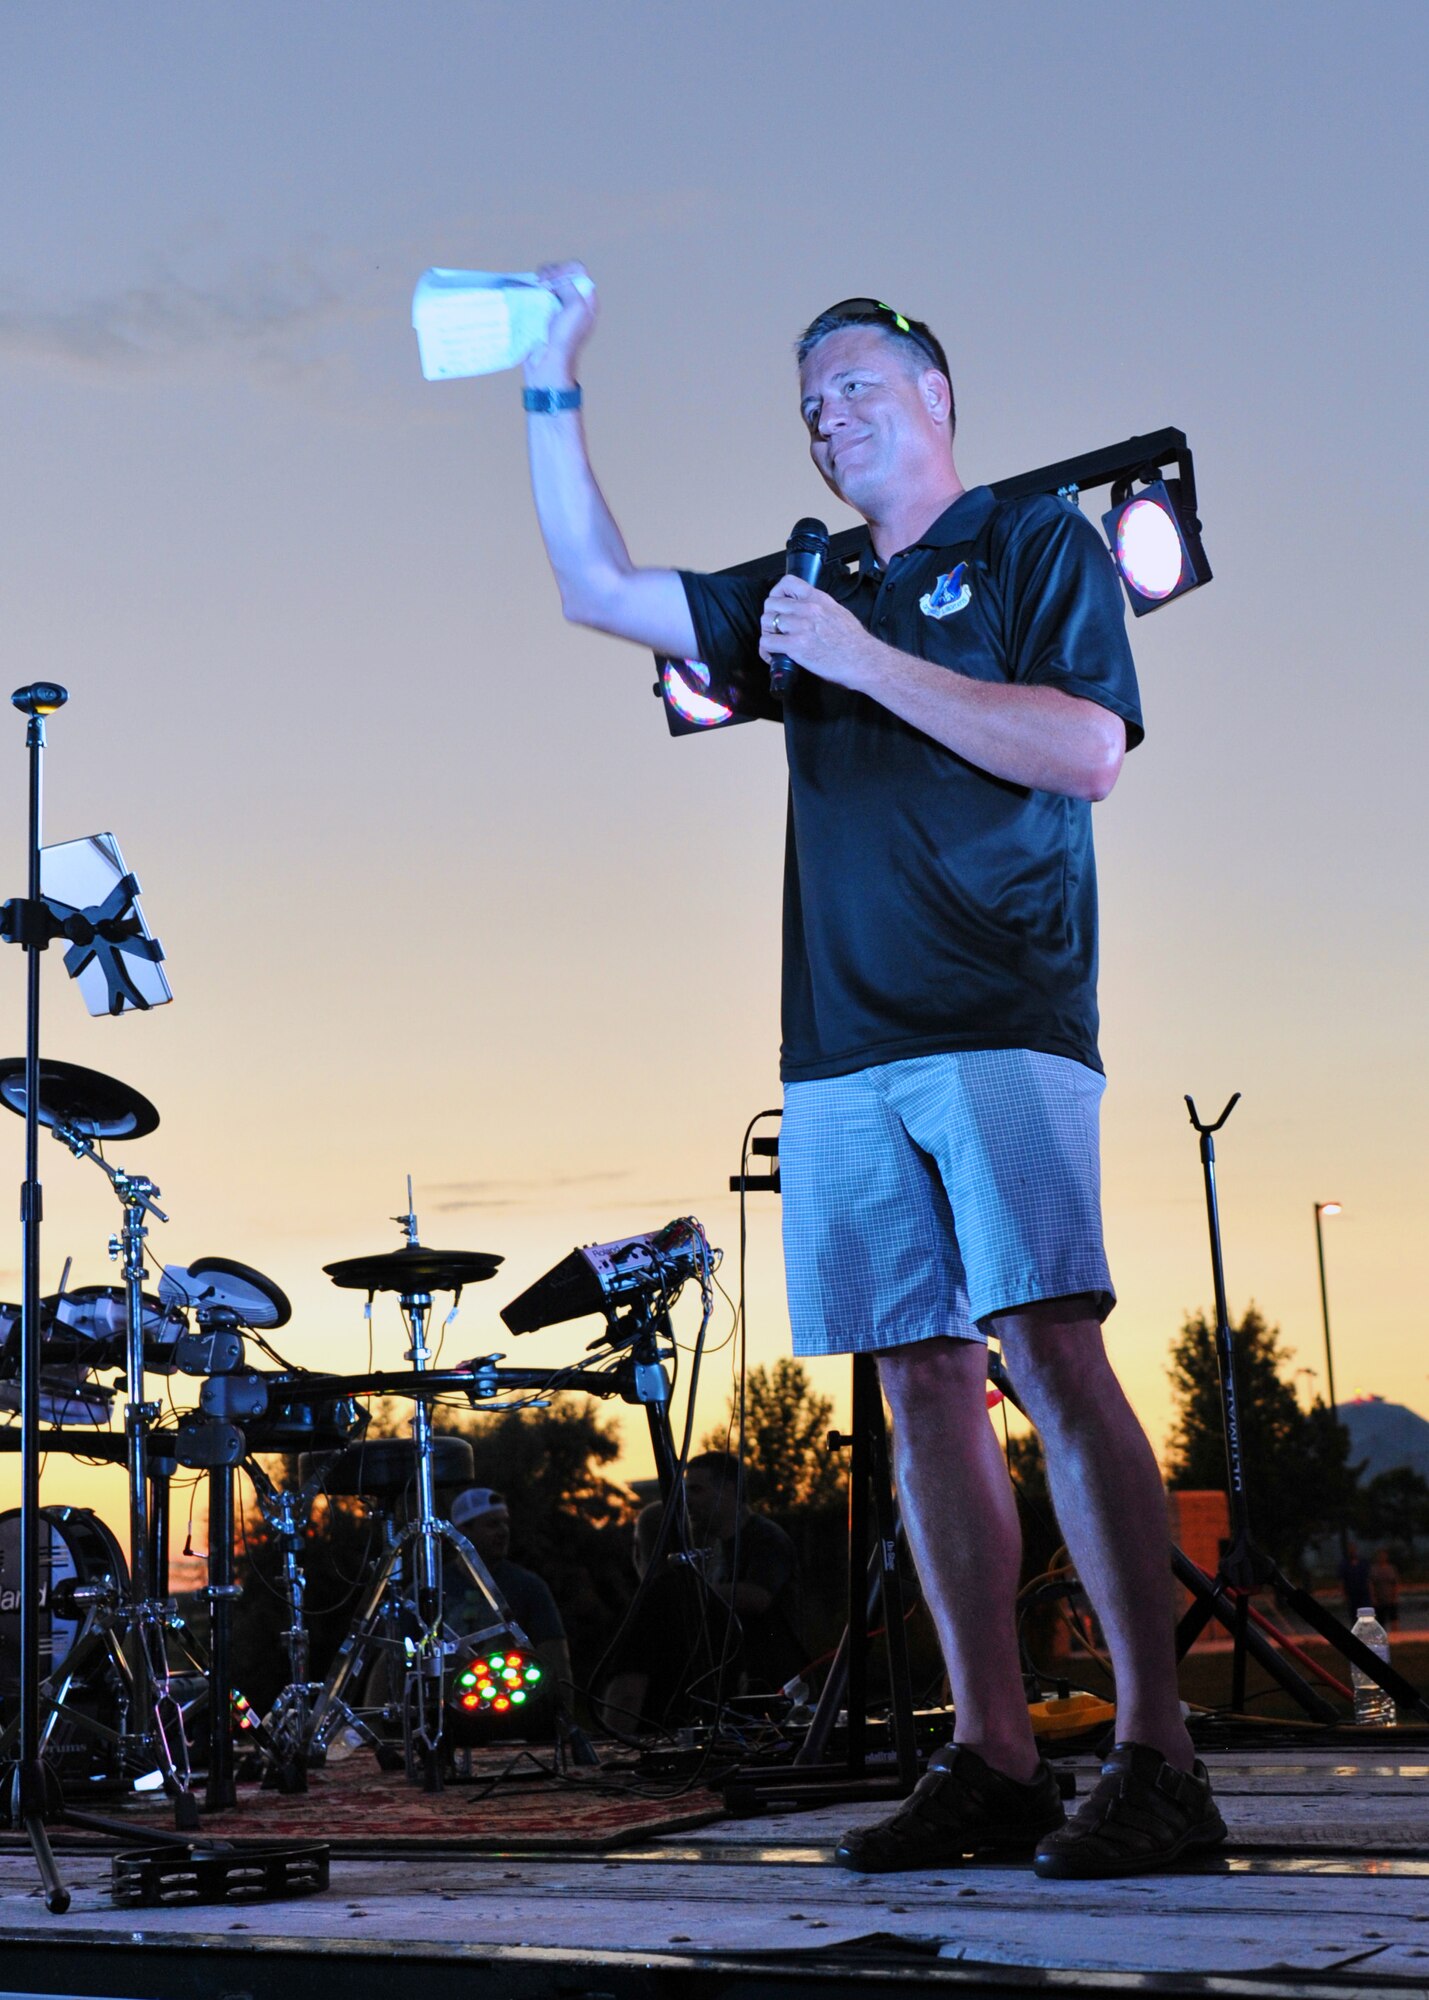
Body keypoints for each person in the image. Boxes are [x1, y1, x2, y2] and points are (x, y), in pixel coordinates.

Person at [514, 266, 1224, 1879]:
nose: (827, 412)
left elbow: (1084, 751)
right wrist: (549, 381)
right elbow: (592, 585)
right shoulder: (801, 582)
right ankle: (985, 1754)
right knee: (913, 1384)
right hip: (838, 1049)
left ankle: (1154, 1758)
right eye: (807, 401)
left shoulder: (1031, 544)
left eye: (853, 381)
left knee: (1042, 1349)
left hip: (997, 1010)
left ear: (935, 392)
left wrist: (855, 655)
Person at [447, 1485, 573, 1704]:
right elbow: (392, 1661)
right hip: (446, 1714)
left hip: (514, 1713)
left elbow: (555, 1658)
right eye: (492, 1524)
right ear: (463, 1532)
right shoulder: (430, 1587)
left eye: (505, 1523)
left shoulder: (528, 1586)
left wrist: (563, 1722)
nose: (503, 1531)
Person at [1369, 1548, 1400, 1632]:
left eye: (1384, 1556)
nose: (1382, 1558)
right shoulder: (1374, 1569)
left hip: (1390, 1598)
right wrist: (1373, 1597)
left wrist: (1395, 1596)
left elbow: (1395, 1583)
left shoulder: (1391, 1568)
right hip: (1379, 1598)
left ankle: (1396, 1637)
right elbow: (1371, 1584)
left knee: (1394, 1619)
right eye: (1380, 1556)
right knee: (1380, 1620)